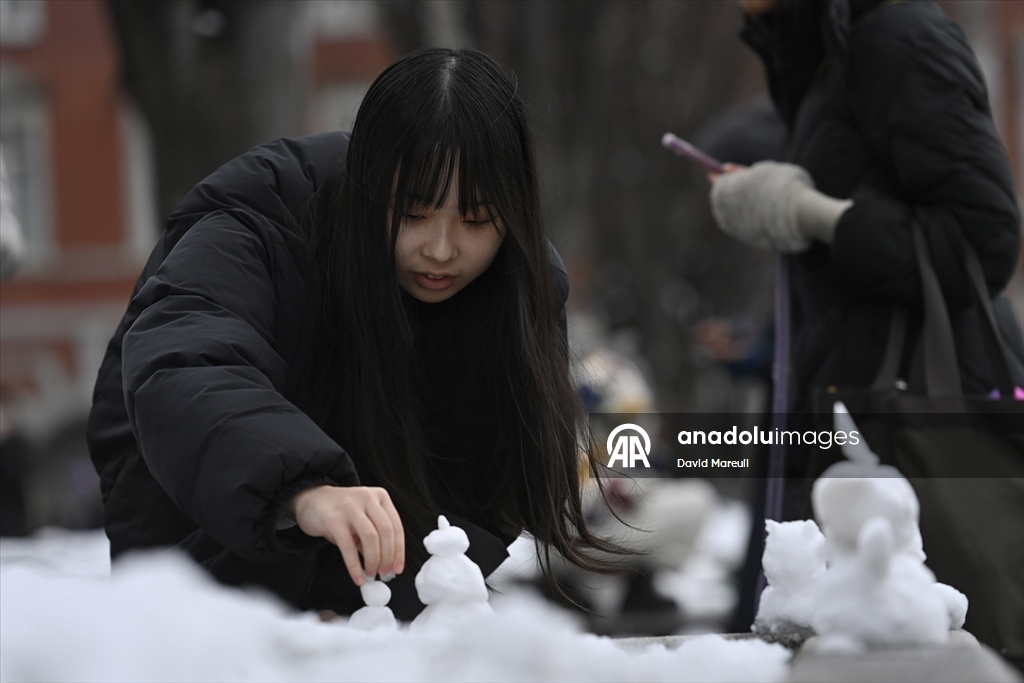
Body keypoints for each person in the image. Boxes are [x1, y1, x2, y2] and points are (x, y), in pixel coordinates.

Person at [87, 48, 623, 620]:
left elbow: (490, 490)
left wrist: (382, 601)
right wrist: (300, 490)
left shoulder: (523, 285)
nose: (441, 249)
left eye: (476, 219)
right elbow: (188, 366)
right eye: (413, 214)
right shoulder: (255, 225)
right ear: (368, 186)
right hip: (202, 543)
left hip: (375, 589)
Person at [706, 0, 1023, 663]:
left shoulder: (897, 35)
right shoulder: (820, 49)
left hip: (922, 426)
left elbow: (984, 235)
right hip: (860, 417)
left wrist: (808, 212)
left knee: (944, 653)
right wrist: (779, 200)